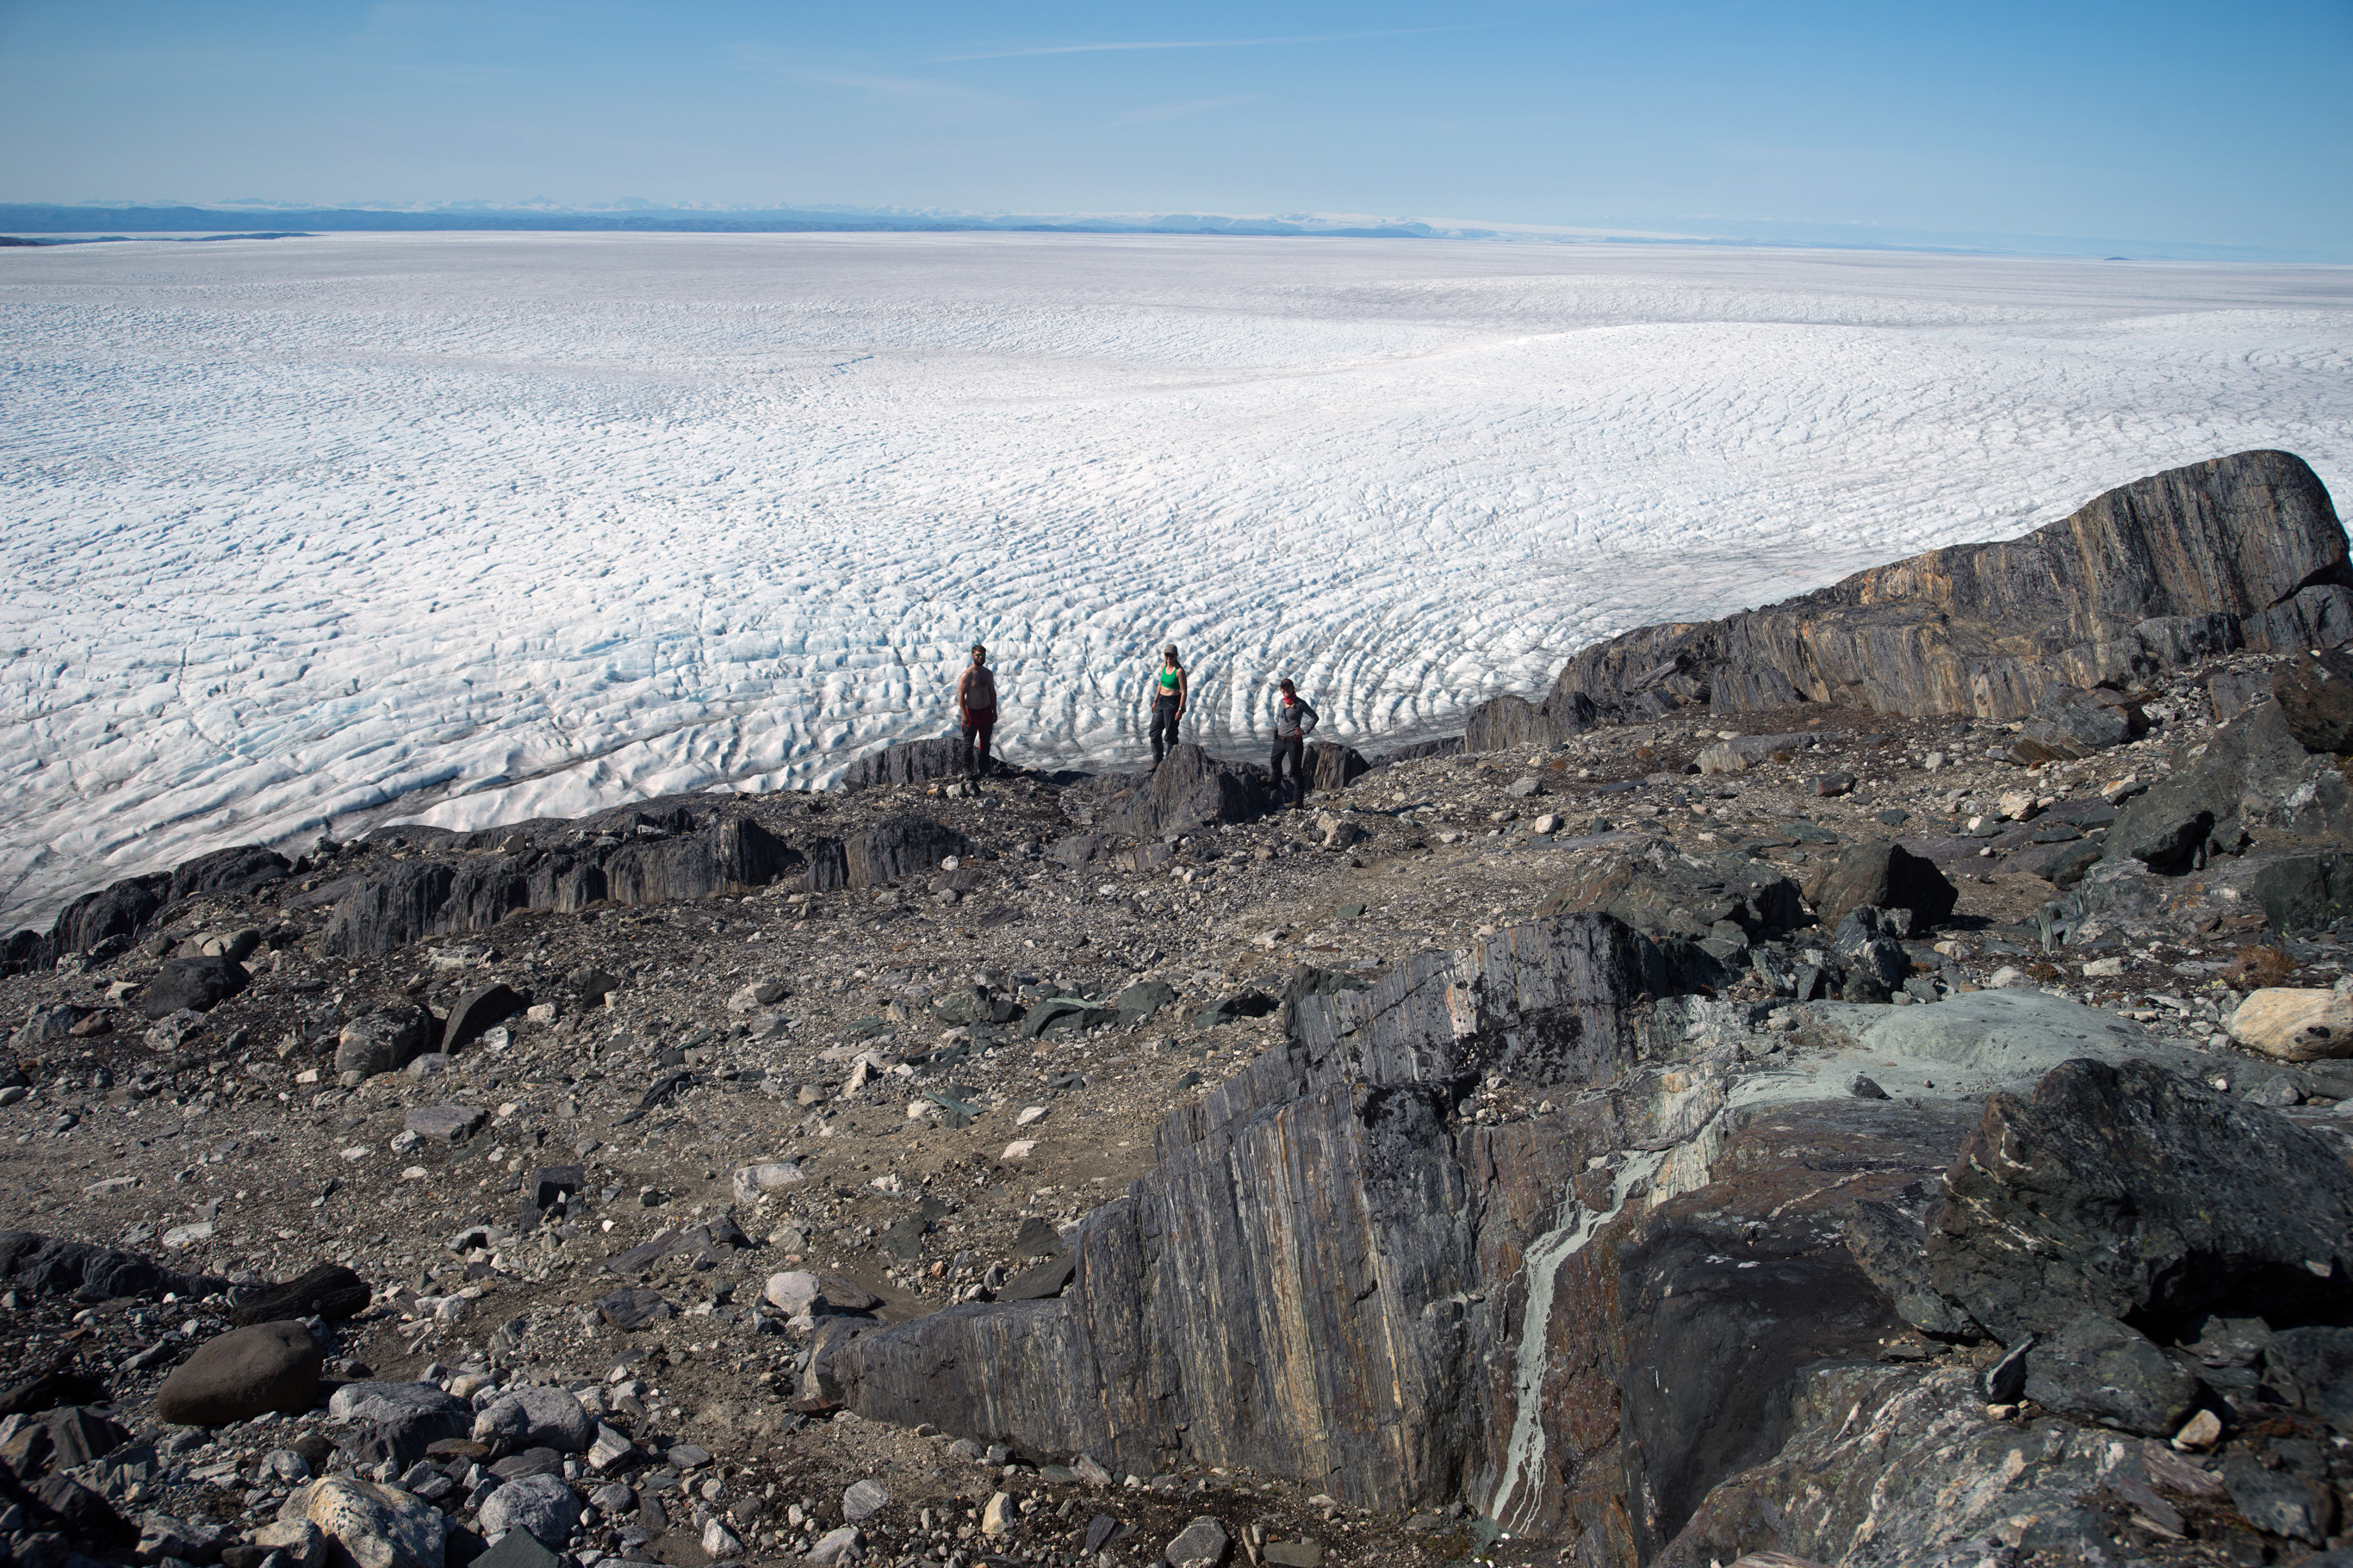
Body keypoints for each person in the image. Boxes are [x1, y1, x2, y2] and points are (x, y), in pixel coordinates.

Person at [1270, 678, 1318, 809]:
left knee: (1295, 771)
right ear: (1281, 690)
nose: (1286, 690)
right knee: (1274, 761)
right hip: (1280, 739)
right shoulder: (1281, 702)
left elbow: (1315, 717)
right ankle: (1275, 782)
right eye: (1283, 688)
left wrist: (1305, 731)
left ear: (1293, 688)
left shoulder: (1300, 703)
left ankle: (1298, 802)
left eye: (1288, 687)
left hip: (1293, 741)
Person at [956, 644, 998, 778]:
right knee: (968, 743)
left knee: (985, 741)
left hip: (985, 711)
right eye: (978, 656)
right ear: (973, 656)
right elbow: (961, 695)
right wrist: (963, 713)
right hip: (972, 713)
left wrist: (994, 710)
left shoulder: (988, 674)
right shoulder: (967, 675)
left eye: (983, 655)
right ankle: (966, 769)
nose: (981, 658)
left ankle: (984, 767)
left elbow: (992, 692)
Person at [1146, 644, 1187, 768]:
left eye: (1171, 655)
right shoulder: (1163, 666)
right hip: (1161, 701)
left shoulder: (1179, 671)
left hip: (1173, 703)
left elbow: (1184, 691)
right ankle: (1157, 760)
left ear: (1176, 656)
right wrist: (1155, 700)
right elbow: (1160, 684)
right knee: (1154, 731)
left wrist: (1180, 710)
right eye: (1166, 655)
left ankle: (1169, 763)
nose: (1168, 657)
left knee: (1170, 735)